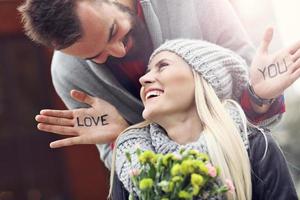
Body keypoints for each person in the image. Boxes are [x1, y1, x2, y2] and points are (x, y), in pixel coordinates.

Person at [18, 0, 300, 168]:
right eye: (96, 56)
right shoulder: (69, 74)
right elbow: (123, 168)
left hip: (249, 169)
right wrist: (122, 137)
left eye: (113, 32)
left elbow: (257, 112)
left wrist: (259, 96)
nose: (117, 52)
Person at [110, 39, 298, 199]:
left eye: (163, 66)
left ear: (203, 79)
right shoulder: (132, 161)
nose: (144, 79)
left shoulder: (255, 147)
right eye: (148, 71)